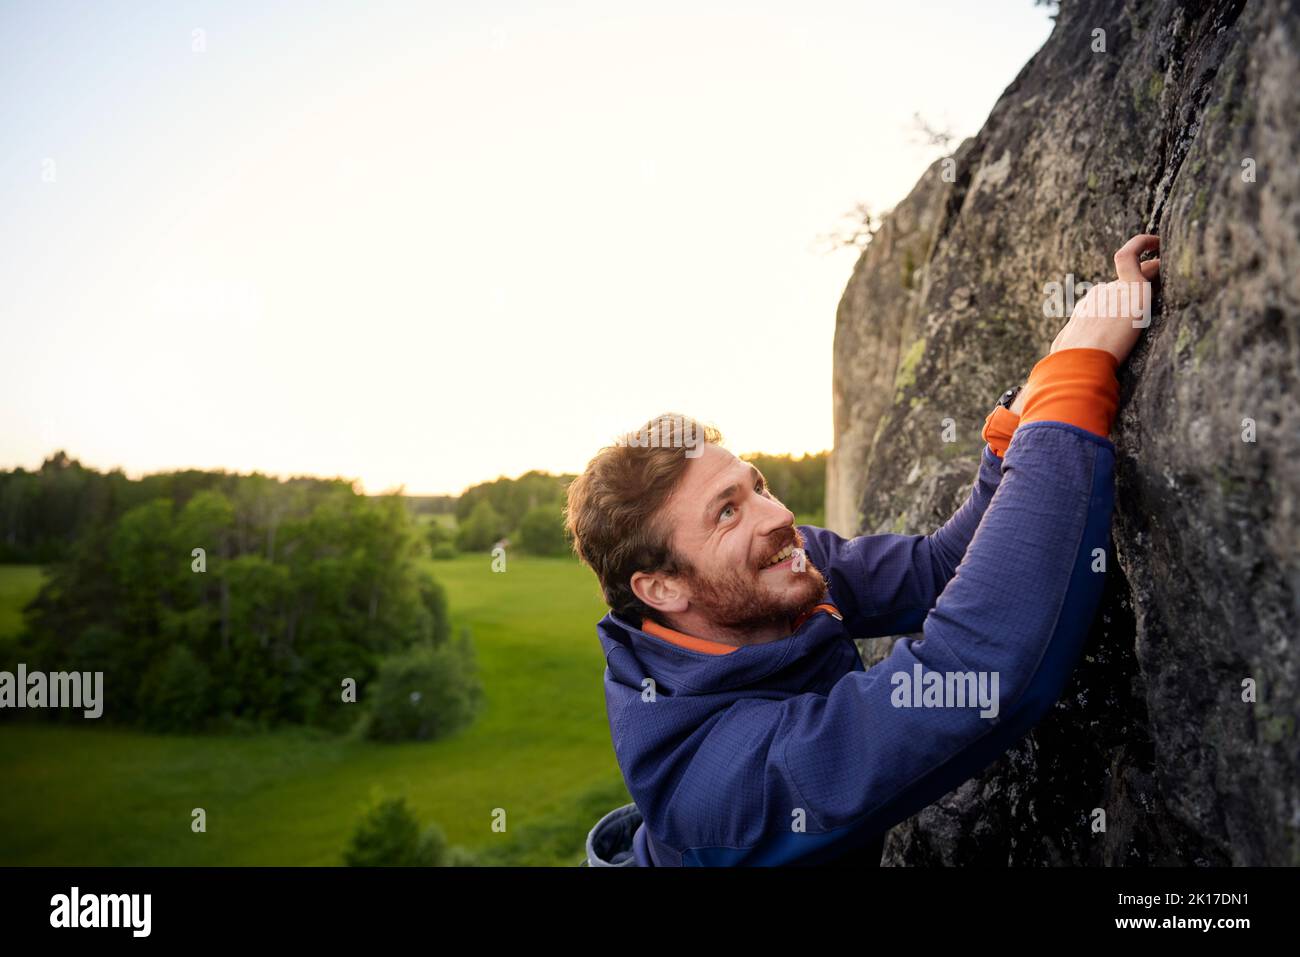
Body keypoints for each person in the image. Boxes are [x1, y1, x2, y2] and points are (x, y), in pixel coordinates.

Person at [568, 234, 1161, 866]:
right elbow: (973, 679)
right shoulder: (715, 788)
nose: (780, 516)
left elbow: (937, 569)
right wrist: (1075, 383)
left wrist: (1044, 386)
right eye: (727, 512)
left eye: (757, 486)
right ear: (661, 588)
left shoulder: (775, 572)